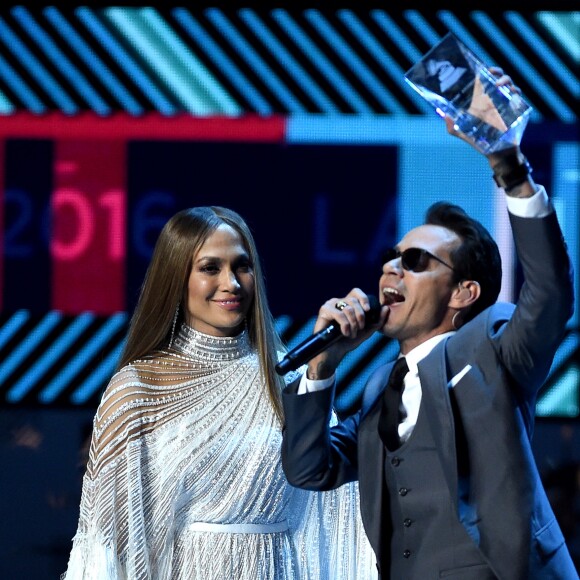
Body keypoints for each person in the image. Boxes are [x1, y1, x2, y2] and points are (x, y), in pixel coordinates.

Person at [281, 71, 578, 579]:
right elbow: (310, 468)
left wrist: (507, 164)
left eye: (416, 261)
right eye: (392, 258)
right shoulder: (380, 389)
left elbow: (549, 294)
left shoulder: (495, 347)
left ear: (464, 292)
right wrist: (323, 365)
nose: (390, 270)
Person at [61, 206, 375, 579]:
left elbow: (336, 511)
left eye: (242, 266)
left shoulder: (287, 378)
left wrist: (322, 368)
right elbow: (106, 542)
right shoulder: (139, 387)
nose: (233, 283)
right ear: (176, 279)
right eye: (211, 268)